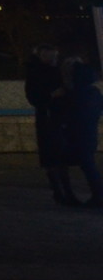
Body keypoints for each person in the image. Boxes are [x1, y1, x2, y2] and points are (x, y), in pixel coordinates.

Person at [25, 45, 79, 205]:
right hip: (47, 119)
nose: (54, 59)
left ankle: (66, 192)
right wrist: (51, 96)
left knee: (60, 157)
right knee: (52, 158)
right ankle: (59, 191)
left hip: (58, 118)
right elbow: (33, 98)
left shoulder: (58, 72)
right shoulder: (36, 74)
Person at [64, 54, 103, 207]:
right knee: (88, 164)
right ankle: (97, 194)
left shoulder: (75, 93)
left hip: (78, 132)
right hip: (89, 132)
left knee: (86, 164)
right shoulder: (93, 92)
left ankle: (98, 194)